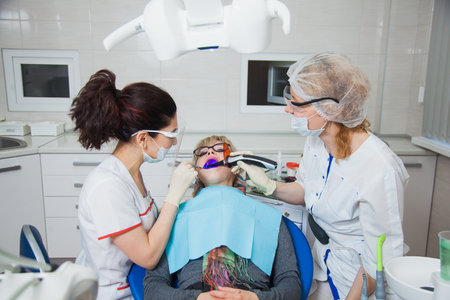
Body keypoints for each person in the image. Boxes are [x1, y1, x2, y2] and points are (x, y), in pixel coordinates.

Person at [233, 53, 409, 299]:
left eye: (297, 103)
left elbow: (382, 257)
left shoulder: (379, 167)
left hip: (362, 279)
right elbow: (307, 192)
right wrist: (269, 186)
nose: (287, 108)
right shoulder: (317, 141)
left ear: (330, 107)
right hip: (325, 263)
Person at [70, 69, 197, 299]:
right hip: (114, 292)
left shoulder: (131, 173)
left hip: (136, 278)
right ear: (143, 138)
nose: (174, 141)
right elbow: (147, 256)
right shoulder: (107, 187)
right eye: (171, 134)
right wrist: (173, 196)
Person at [143, 135, 302, 300]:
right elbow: (152, 288)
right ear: (195, 171)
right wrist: (196, 298)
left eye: (220, 149)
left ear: (237, 166)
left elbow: (291, 284)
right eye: (202, 152)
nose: (211, 151)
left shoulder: (269, 218)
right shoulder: (173, 218)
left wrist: (254, 298)